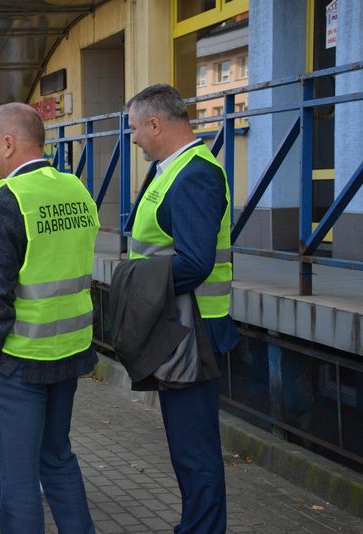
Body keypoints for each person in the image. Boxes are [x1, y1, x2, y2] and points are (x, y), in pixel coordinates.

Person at [0, 103, 99, 534]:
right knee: (57, 458)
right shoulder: (76, 188)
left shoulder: (7, 201)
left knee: (15, 477)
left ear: (8, 143)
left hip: (16, 361)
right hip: (68, 351)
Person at [126, 84, 238, 533]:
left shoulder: (193, 175)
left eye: (135, 128)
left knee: (194, 450)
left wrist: (136, 286)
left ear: (155, 124)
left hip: (196, 332)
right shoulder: (171, 169)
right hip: (182, 326)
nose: (133, 138)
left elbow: (195, 262)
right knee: (187, 448)